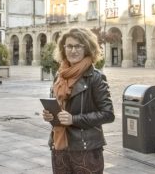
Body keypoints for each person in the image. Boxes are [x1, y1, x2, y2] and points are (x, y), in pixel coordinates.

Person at [42, 27, 115, 174]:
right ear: (63, 48)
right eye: (69, 46)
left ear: (87, 48)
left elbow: (108, 114)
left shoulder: (95, 77)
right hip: (59, 146)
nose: (73, 50)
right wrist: (50, 116)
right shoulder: (60, 75)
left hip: (85, 149)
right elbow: (58, 108)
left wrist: (73, 119)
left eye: (78, 46)